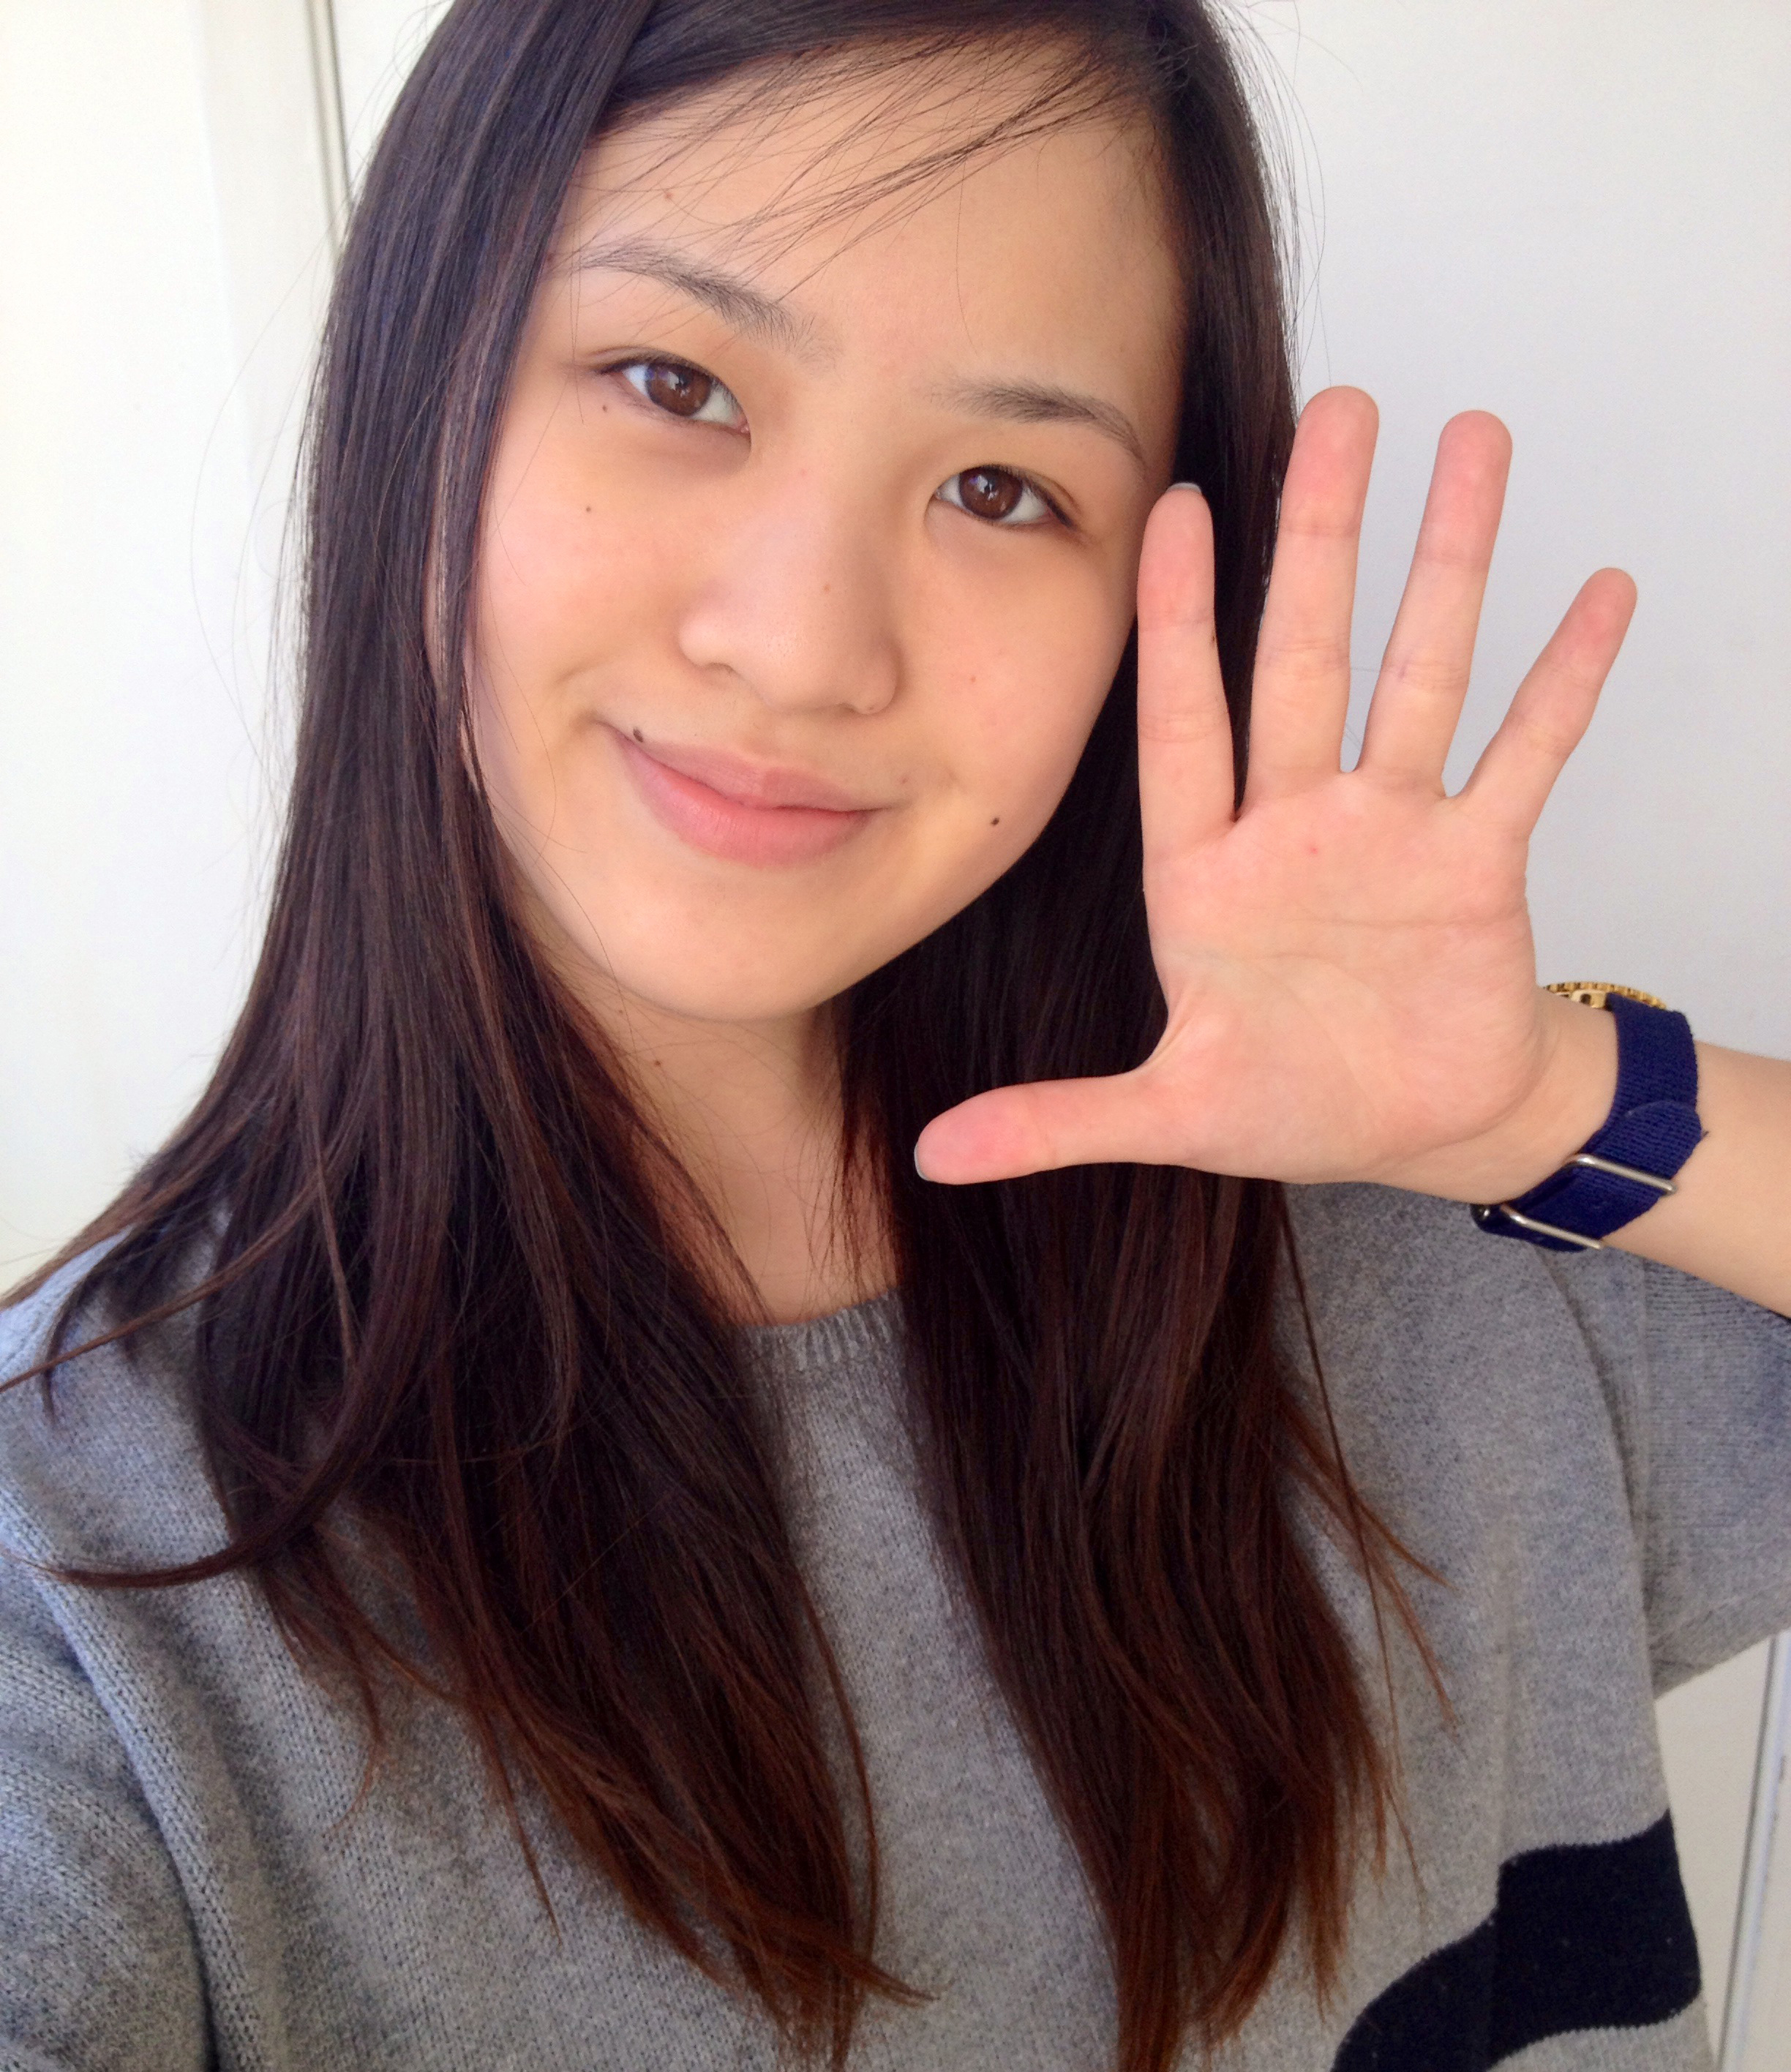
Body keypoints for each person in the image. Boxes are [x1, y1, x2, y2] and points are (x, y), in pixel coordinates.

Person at [2, 1, 1787, 2067]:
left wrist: (1555, 1100)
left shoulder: (1447, 1233)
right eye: (673, 384)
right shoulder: (89, 1592)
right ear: (426, 379)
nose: (804, 646)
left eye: (1003, 488)